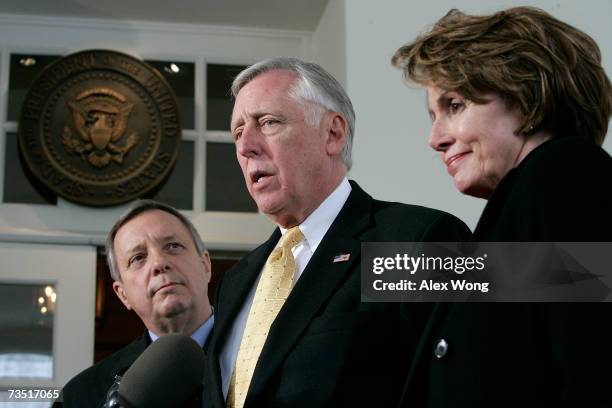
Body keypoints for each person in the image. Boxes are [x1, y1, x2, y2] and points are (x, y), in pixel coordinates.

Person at [203, 57, 471, 408]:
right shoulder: (236, 281)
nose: (244, 146)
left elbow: (474, 380)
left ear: (333, 133)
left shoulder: (409, 243)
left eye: (267, 122)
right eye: (238, 132)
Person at [392, 6, 612, 407]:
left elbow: (597, 367)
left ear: (526, 97)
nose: (435, 138)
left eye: (454, 106)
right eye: (432, 115)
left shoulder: (563, 173)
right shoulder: (526, 202)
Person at [57, 200, 214, 407]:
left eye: (173, 246)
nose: (159, 263)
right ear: (123, 295)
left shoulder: (265, 353)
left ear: (205, 265)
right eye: (138, 258)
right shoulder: (82, 395)